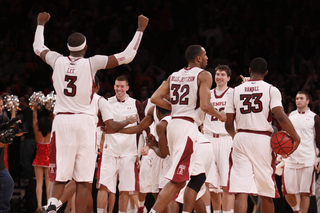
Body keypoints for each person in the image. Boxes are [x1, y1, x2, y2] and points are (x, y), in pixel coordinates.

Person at [33, 12, 148, 213]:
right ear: (85, 48)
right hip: (85, 121)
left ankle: (52, 205)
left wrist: (40, 24)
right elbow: (127, 56)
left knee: (60, 176)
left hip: (61, 121)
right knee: (83, 180)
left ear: (68, 48)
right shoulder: (91, 63)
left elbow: (38, 47)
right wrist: (140, 30)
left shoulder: (56, 60)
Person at [149, 44, 226, 213]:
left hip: (176, 124)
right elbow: (205, 106)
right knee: (178, 180)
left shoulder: (174, 75)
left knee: (197, 176)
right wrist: (220, 115)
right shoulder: (204, 75)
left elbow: (155, 98)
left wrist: (175, 108)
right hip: (187, 127)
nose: (207, 58)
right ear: (198, 58)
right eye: (205, 56)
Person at [225, 57, 301, 213]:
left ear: (249, 71)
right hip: (261, 139)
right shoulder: (271, 89)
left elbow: (228, 124)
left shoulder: (234, 91)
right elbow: (280, 116)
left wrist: (238, 137)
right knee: (266, 193)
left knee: (241, 191)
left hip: (240, 137)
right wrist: (296, 137)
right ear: (266, 72)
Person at [97, 76, 145, 213]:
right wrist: (98, 143)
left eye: (122, 86)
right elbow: (100, 125)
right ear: (113, 86)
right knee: (103, 186)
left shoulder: (136, 104)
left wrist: (141, 148)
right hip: (109, 150)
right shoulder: (106, 102)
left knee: (124, 189)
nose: (119, 89)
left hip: (128, 152)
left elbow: (143, 128)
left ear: (127, 88)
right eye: (117, 86)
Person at [202, 64, 235, 213]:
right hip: (208, 138)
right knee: (207, 182)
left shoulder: (234, 93)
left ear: (228, 78)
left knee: (227, 183)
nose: (219, 77)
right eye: (217, 74)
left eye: (222, 75)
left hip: (226, 139)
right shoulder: (206, 93)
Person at [283, 91, 320, 213]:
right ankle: (296, 210)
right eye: (297, 98)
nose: (298, 100)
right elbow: (284, 137)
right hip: (291, 158)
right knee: (287, 191)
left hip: (307, 159)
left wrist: (318, 157)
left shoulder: (315, 117)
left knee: (305, 193)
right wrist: (280, 153)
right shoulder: (289, 116)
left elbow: (319, 139)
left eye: (301, 98)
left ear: (307, 101)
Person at [32, 106, 52, 213]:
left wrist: (34, 109)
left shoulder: (37, 131)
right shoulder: (51, 132)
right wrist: (52, 109)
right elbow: (55, 119)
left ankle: (39, 205)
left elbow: (34, 120)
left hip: (38, 160)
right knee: (48, 184)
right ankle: (48, 205)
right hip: (48, 160)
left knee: (39, 183)